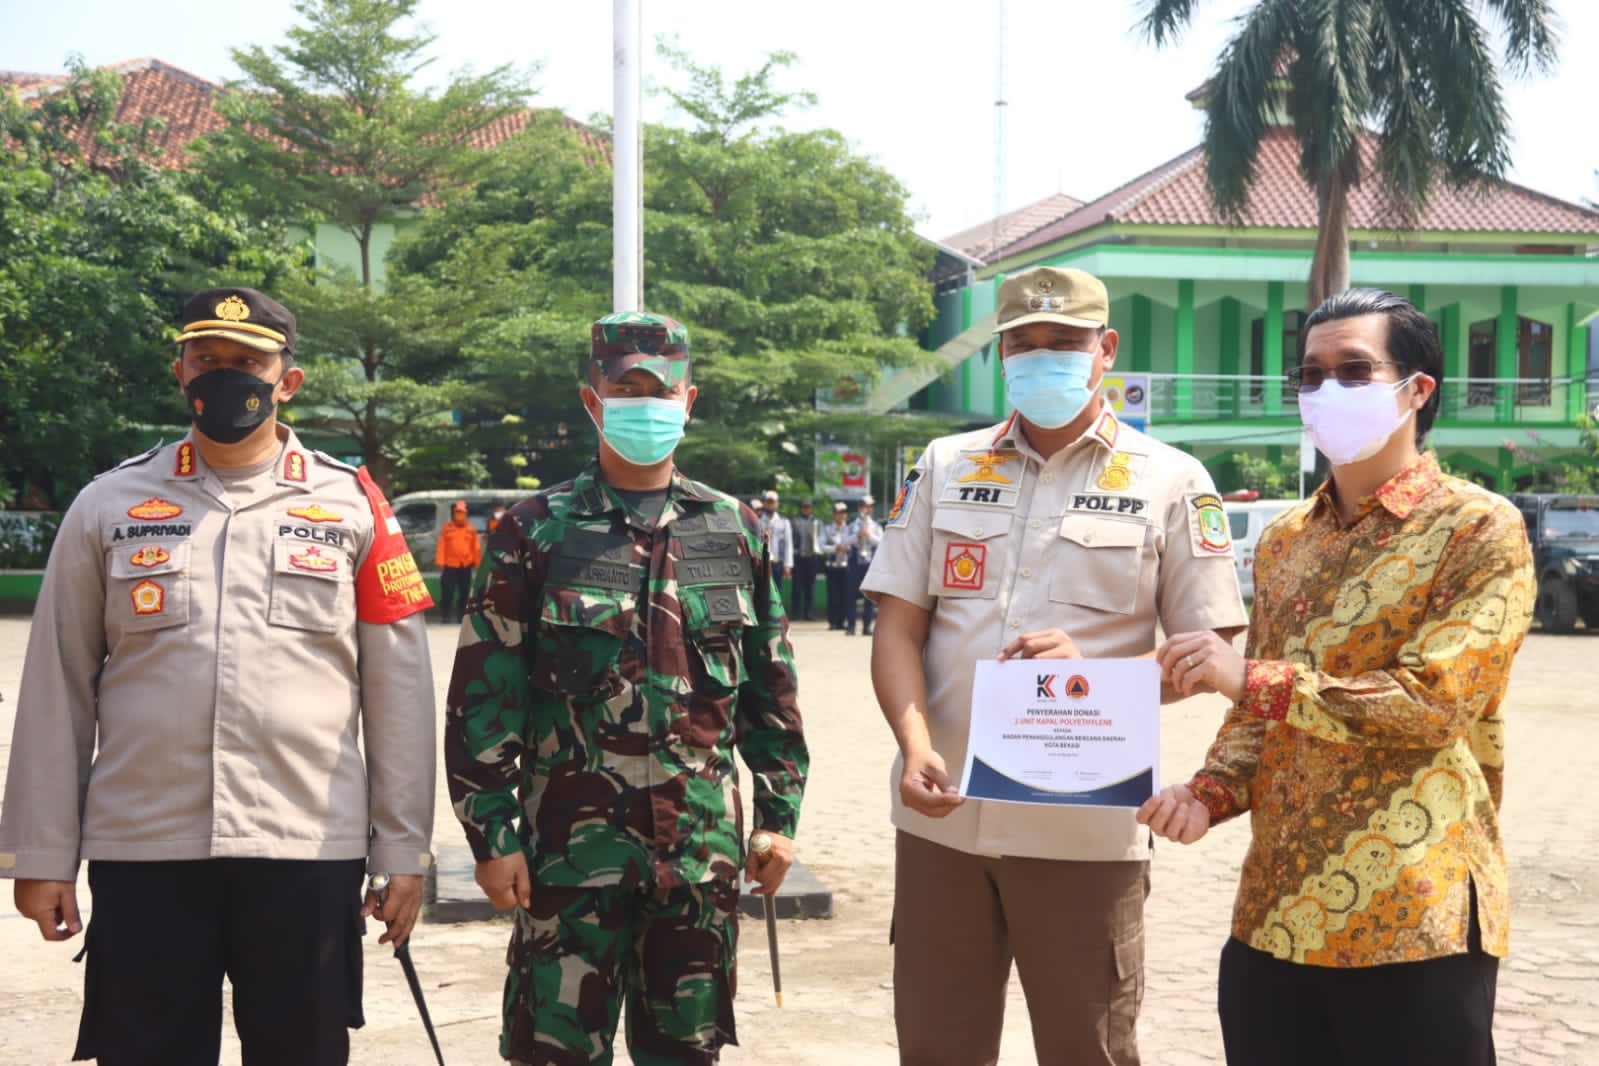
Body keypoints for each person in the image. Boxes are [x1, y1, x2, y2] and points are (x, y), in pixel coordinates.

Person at [0, 286, 437, 1066]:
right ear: (180, 373)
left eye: (248, 362)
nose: (225, 378)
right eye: (208, 361)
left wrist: (404, 850)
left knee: (300, 1052)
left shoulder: (354, 505)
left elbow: (398, 691)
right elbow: (56, 686)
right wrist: (40, 855)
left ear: (287, 380)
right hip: (145, 845)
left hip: (305, 844)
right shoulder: (109, 504)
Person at [861, 265, 1248, 1066]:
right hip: (944, 820)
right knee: (936, 1047)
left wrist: (1099, 678)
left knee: (1087, 1048)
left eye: (1064, 342)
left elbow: (1213, 654)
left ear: (1104, 350)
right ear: (1000, 354)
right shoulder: (943, 465)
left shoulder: (1171, 479)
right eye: (1023, 343)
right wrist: (913, 744)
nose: (1042, 358)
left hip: (1085, 830)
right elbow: (897, 628)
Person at [1139, 288, 1536, 1066]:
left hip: (1411, 915)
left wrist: (1248, 678)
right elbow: (1257, 717)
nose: (1325, 392)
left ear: (1416, 389)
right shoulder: (1288, 538)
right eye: (1310, 374)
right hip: (1275, 913)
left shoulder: (1479, 526)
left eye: (1353, 371)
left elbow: (1433, 705)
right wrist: (1207, 793)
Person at [444, 310, 809, 1065]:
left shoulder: (731, 528)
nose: (644, 402)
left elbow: (770, 685)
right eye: (626, 387)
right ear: (592, 399)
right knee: (555, 1053)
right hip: (569, 860)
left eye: (660, 389)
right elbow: (485, 693)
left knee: (687, 1053)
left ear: (688, 399)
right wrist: (491, 836)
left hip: (699, 855)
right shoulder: (534, 530)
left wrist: (779, 813)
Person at [434, 499, 483, 623]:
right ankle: (445, 617)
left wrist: (478, 564)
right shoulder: (447, 528)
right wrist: (440, 562)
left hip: (465, 566)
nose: (459, 515)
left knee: (464, 592)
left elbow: (475, 548)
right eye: (457, 512)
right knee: (447, 592)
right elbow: (442, 545)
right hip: (450, 565)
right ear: (454, 513)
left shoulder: (471, 528)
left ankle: (462, 617)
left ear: (466, 514)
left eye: (462, 513)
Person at [843, 494, 881, 636]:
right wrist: (857, 536)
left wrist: (869, 535)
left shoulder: (876, 526)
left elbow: (882, 542)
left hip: (870, 562)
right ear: (860, 508)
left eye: (870, 506)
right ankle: (851, 626)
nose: (868, 509)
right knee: (851, 595)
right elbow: (843, 542)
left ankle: (867, 626)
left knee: (869, 596)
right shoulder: (852, 525)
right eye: (865, 506)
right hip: (854, 562)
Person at [819, 500, 853, 629]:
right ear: (834, 515)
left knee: (845, 594)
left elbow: (854, 544)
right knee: (832, 594)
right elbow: (822, 546)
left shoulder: (850, 529)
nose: (841, 515)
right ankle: (832, 621)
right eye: (838, 513)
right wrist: (835, 548)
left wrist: (847, 548)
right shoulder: (827, 529)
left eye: (843, 513)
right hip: (832, 565)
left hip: (846, 566)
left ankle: (841, 621)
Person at [789, 497, 822, 621]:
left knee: (810, 587)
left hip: (812, 557)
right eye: (804, 507)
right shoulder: (794, 521)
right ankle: (795, 614)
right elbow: (791, 539)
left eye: (808, 507)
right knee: (796, 587)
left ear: (811, 508)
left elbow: (820, 538)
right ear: (800, 508)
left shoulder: (816, 521)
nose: (806, 509)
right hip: (799, 556)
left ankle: (809, 613)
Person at [759, 489, 794, 595]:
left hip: (777, 563)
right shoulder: (758, 520)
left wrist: (788, 565)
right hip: (762, 562)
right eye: (768, 502)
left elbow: (789, 544)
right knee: (763, 591)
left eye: (772, 502)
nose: (770, 505)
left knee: (776, 591)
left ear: (777, 504)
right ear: (764, 503)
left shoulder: (784, 521)